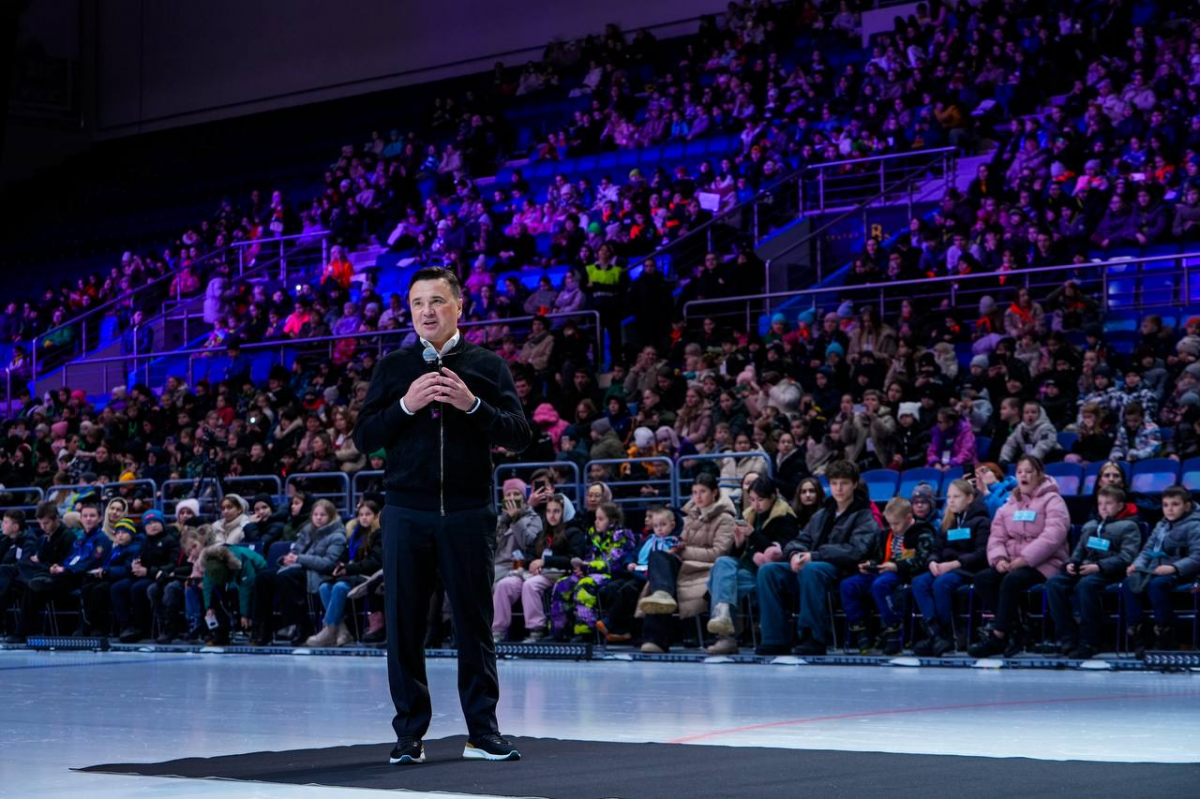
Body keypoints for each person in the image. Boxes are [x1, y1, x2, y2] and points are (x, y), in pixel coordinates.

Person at [353, 266, 532, 764]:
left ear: (458, 307)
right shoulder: (393, 368)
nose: (426, 311)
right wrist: (406, 406)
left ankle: (483, 732)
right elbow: (364, 439)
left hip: (469, 512)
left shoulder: (487, 365)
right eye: (416, 303)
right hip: (407, 512)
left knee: (473, 624)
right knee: (404, 625)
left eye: (436, 301)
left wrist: (473, 405)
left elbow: (519, 434)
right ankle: (410, 734)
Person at [755, 460, 880, 657]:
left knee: (812, 570)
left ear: (855, 484)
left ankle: (813, 636)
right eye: (834, 483)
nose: (838, 488)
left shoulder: (864, 515)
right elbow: (799, 540)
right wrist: (795, 555)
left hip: (843, 570)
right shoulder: (822, 514)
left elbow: (856, 551)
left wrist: (814, 555)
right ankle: (774, 638)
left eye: (844, 483)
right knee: (768, 571)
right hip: (811, 565)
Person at [969, 456, 1070, 658]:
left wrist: (1025, 559)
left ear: (1039, 475)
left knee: (1011, 581)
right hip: (1012, 562)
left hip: (1046, 562)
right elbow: (997, 535)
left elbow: (1053, 536)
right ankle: (1016, 629)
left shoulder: (1053, 500)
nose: (1023, 475)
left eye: (1029, 471)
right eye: (1020, 471)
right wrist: (999, 559)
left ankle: (999, 636)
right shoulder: (1010, 503)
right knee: (983, 579)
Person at [637, 472, 736, 653]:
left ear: (714, 492)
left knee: (663, 579)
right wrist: (676, 547)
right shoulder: (690, 517)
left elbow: (720, 552)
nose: (697, 497)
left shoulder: (726, 518)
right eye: (694, 492)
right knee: (658, 557)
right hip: (686, 565)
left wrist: (684, 550)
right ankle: (655, 635)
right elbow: (682, 542)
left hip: (708, 568)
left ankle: (658, 634)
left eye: (702, 492)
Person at [705, 476, 797, 655]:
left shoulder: (786, 517)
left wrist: (753, 535)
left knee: (720, 582)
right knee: (722, 563)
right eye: (752, 499)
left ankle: (725, 637)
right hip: (748, 568)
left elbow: (779, 553)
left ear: (773, 496)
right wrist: (738, 544)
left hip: (768, 572)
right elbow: (738, 556)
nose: (756, 505)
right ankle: (722, 612)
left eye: (761, 500)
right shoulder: (749, 515)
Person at [1046, 486, 1140, 660]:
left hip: (1111, 571)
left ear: (1120, 506)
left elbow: (1127, 557)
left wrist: (1099, 567)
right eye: (1100, 504)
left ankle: (1090, 641)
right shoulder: (1090, 525)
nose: (1103, 507)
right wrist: (1071, 564)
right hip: (1086, 568)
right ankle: (1068, 638)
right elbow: (1079, 551)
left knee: (1086, 585)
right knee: (1054, 583)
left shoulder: (1129, 526)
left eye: (1108, 503)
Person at [840, 497, 935, 655]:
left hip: (905, 574)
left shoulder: (923, 532)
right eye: (890, 523)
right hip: (883, 571)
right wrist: (870, 564)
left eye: (896, 523)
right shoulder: (886, 534)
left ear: (909, 518)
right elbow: (879, 557)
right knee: (848, 585)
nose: (893, 527)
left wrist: (898, 566)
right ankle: (861, 629)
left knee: (881, 585)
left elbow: (923, 560)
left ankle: (893, 629)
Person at [910, 479, 991, 656]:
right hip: (945, 567)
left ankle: (946, 635)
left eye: (956, 496)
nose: (951, 501)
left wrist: (954, 564)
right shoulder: (948, 521)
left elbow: (981, 553)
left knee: (941, 584)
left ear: (970, 498)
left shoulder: (981, 521)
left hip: (967, 569)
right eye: (948, 497)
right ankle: (935, 633)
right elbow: (936, 549)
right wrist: (932, 561)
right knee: (919, 582)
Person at [252, 499, 346, 646]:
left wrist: (299, 558)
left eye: (323, 515)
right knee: (263, 577)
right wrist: (286, 560)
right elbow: (295, 552)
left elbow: (328, 564)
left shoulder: (337, 536)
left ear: (331, 517)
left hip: (317, 574)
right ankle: (264, 627)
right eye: (315, 514)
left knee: (286, 577)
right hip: (298, 568)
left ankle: (300, 625)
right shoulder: (307, 530)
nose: (318, 518)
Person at [1122, 486, 1200, 655]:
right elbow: (1147, 550)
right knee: (1129, 583)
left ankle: (1164, 635)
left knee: (1156, 585)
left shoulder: (1195, 526)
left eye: (1175, 504)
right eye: (1165, 505)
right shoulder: (1161, 525)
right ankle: (1137, 633)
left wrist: (1173, 568)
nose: (1169, 509)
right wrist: (1136, 565)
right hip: (1155, 570)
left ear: (1186, 506)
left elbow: (1197, 558)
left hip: (1183, 573)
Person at [548, 501, 636, 640]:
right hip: (592, 572)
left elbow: (614, 563)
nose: (596, 522)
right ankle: (559, 632)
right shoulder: (593, 535)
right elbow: (589, 557)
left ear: (612, 521)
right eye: (596, 518)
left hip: (613, 575)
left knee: (585, 584)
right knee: (563, 584)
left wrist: (586, 567)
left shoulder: (623, 536)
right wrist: (581, 569)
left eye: (601, 519)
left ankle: (585, 632)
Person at [307, 499, 385, 647]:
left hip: (370, 576)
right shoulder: (355, 534)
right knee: (324, 587)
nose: (363, 517)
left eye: (368, 514)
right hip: (353, 575)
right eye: (361, 514)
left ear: (376, 516)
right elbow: (345, 556)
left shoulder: (379, 535)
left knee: (340, 587)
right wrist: (340, 566)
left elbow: (375, 562)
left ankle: (329, 630)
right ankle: (342, 631)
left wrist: (349, 569)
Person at [596, 505, 677, 644]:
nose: (660, 529)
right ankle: (620, 630)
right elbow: (633, 555)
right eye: (656, 525)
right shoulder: (648, 540)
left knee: (629, 589)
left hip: (650, 577)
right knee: (613, 587)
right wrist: (629, 563)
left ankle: (609, 622)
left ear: (672, 525)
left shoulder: (674, 543)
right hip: (635, 572)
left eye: (663, 525)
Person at [111, 509, 179, 643]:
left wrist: (148, 571)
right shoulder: (145, 541)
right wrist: (134, 565)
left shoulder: (170, 540)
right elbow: (138, 557)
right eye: (148, 523)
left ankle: (141, 627)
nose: (152, 525)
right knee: (116, 588)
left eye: (155, 522)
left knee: (137, 588)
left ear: (162, 523)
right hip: (144, 574)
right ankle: (126, 626)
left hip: (160, 577)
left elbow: (173, 564)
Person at [202, 543, 268, 646]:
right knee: (218, 597)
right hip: (228, 572)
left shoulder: (241, 560)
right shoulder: (210, 564)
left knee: (255, 595)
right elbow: (207, 587)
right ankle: (220, 635)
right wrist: (209, 607)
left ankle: (257, 631)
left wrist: (244, 615)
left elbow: (246, 589)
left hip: (258, 572)